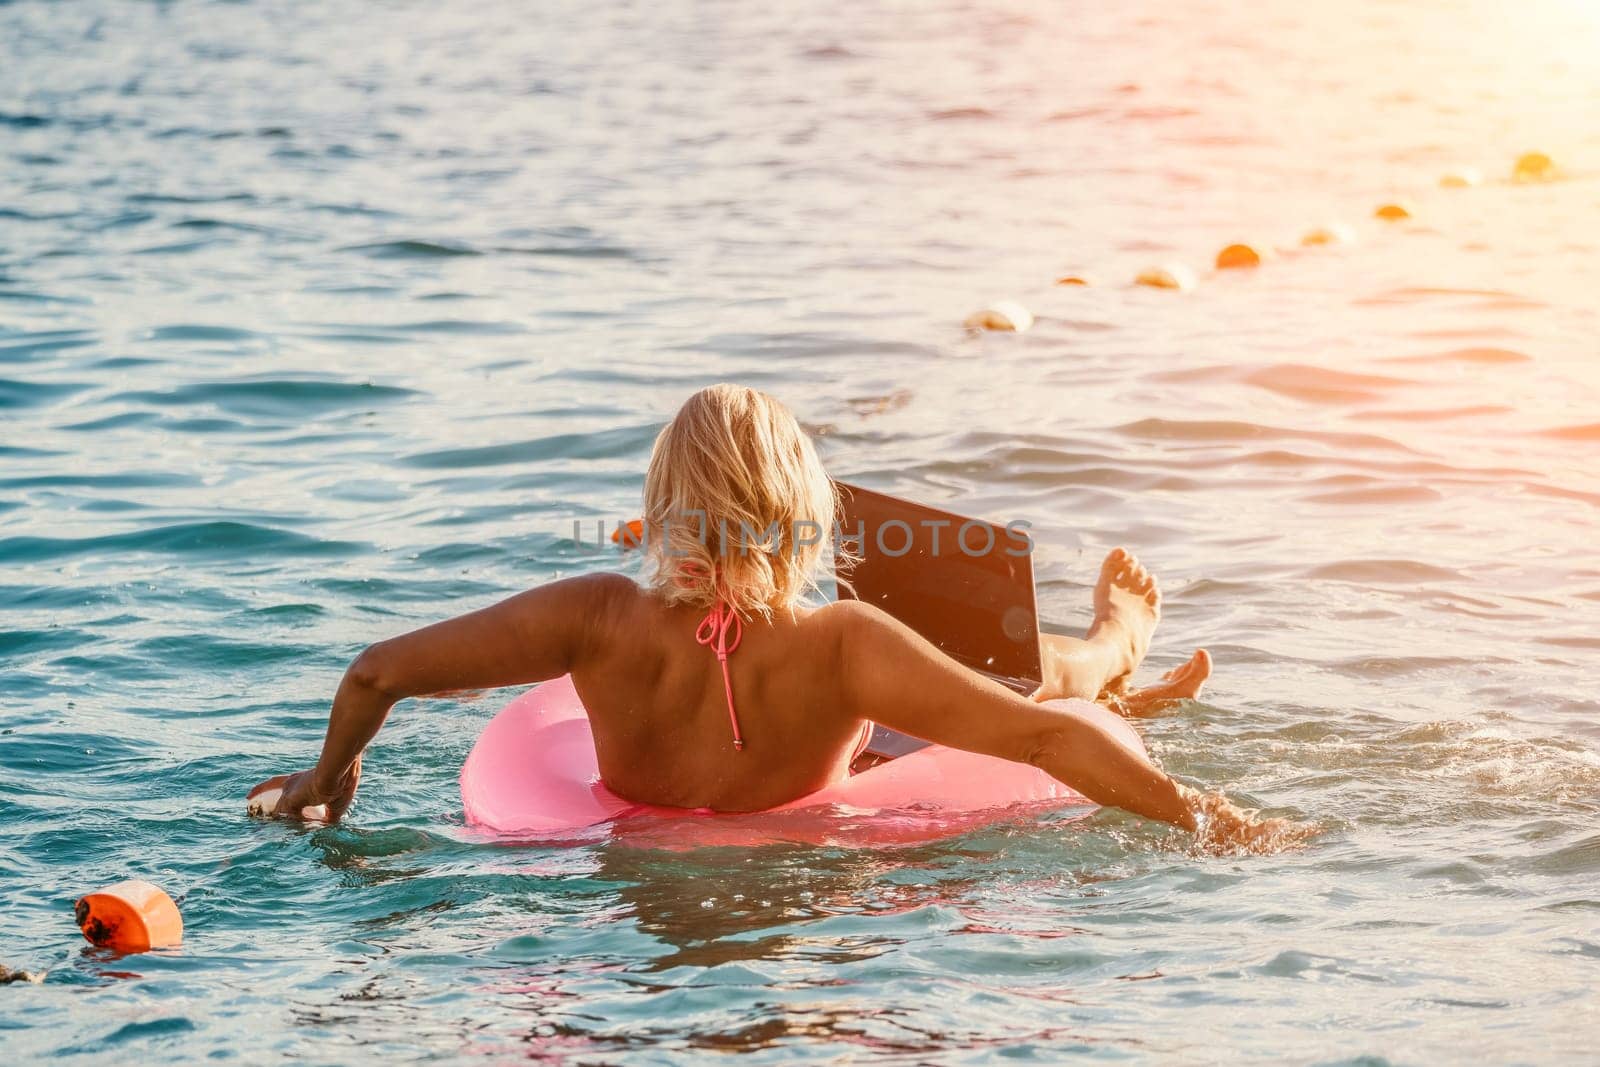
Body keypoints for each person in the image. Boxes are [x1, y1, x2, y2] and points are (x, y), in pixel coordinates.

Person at [254, 385, 1303, 850]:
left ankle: (1118, 657)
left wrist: (325, 780)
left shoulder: (595, 616)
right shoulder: (840, 642)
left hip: (632, 916)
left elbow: (375, 671)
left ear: (659, 505)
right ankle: (1114, 653)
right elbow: (1037, 739)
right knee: (1008, 685)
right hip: (815, 891)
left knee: (979, 690)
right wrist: (1213, 819)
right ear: (809, 511)